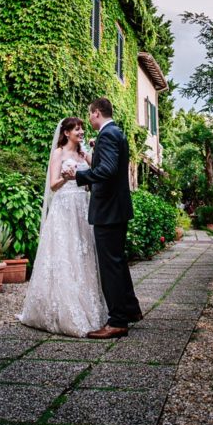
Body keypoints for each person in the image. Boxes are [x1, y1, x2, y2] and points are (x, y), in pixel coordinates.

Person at [18, 117, 107, 337]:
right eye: (77, 129)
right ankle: (61, 310)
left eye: (82, 129)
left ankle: (89, 308)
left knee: (83, 255)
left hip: (82, 207)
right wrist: (67, 179)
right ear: (66, 133)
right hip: (65, 207)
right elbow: (53, 185)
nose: (82, 132)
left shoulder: (83, 154)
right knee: (64, 254)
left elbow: (95, 174)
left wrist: (91, 154)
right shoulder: (58, 153)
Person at [63, 97, 142, 338]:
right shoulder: (116, 132)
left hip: (108, 210)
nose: (88, 119)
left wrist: (78, 177)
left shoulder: (108, 135)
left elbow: (106, 171)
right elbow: (112, 165)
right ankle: (130, 309)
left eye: (89, 114)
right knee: (117, 261)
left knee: (110, 266)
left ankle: (117, 321)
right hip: (117, 208)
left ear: (97, 113)